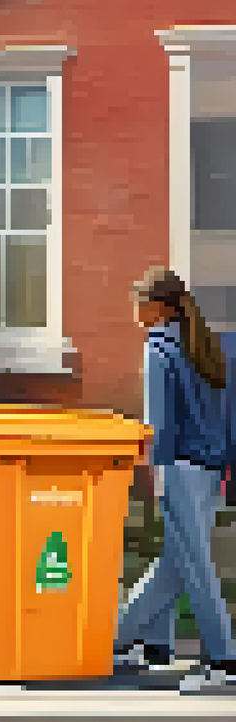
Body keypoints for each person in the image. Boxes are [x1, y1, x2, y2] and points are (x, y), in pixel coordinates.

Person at [115, 269, 236, 692]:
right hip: (212, 472)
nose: (135, 313)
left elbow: (159, 424)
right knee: (177, 562)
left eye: (139, 304)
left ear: (159, 307)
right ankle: (139, 643)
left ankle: (224, 661)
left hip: (179, 468)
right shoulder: (217, 346)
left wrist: (155, 473)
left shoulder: (159, 347)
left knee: (196, 567)